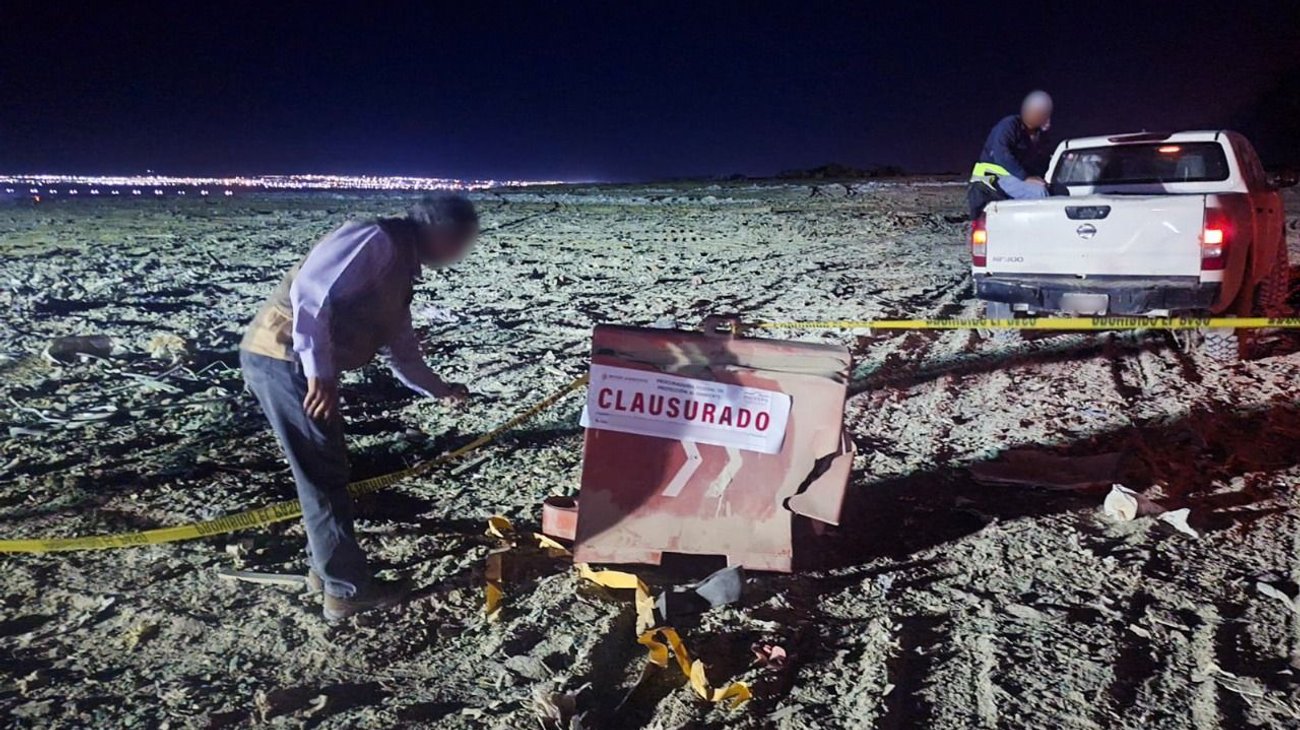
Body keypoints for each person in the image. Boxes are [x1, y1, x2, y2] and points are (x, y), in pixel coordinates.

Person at [239, 194, 478, 622]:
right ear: (440, 233)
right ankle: (345, 591)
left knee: (327, 469)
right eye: (462, 242)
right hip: (283, 360)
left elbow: (403, 355)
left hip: (297, 366)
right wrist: (321, 376)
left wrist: (440, 390)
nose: (463, 253)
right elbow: (310, 297)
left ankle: (326, 572)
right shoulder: (374, 239)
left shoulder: (399, 272)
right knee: (323, 476)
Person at [967, 90, 1056, 217]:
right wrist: (1026, 177)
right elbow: (1002, 155)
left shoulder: (1033, 134)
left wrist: (1043, 135)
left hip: (1011, 177)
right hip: (995, 177)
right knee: (1039, 192)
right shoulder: (1010, 125)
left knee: (1053, 190)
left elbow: (1041, 161)